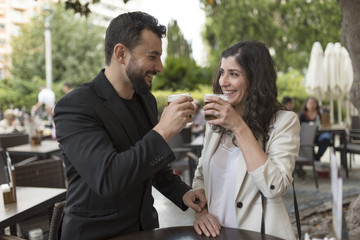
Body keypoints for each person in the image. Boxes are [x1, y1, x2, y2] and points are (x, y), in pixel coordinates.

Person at [53, 12, 206, 240]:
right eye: (153, 56)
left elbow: (151, 165)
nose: (160, 67)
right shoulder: (75, 105)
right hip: (95, 234)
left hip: (145, 230)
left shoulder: (145, 100)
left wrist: (183, 193)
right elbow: (109, 179)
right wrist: (163, 130)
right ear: (121, 53)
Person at [191, 40, 300, 239]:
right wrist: (202, 213)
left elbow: (275, 186)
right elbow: (201, 175)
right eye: (222, 72)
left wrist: (238, 126)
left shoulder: (284, 122)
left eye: (234, 74)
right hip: (216, 234)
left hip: (259, 234)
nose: (223, 82)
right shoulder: (215, 122)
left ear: (255, 79)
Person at [298, 96, 332, 161]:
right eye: (310, 103)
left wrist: (325, 111)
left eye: (314, 103)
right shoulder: (302, 114)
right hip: (307, 137)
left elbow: (326, 123)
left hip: (320, 135)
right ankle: (310, 158)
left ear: (317, 104)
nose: (312, 105)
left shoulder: (321, 113)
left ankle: (317, 157)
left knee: (327, 138)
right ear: (306, 104)